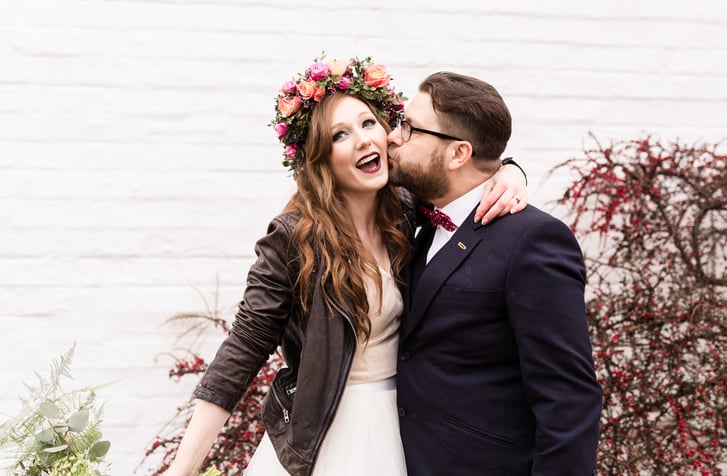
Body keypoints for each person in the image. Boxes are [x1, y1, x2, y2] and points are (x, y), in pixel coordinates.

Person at [161, 57, 528, 476]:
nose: (363, 140)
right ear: (320, 158)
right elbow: (244, 346)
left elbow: (462, 174)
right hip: (330, 429)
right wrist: (182, 469)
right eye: (340, 135)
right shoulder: (293, 236)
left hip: (409, 424)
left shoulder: (405, 210)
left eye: (368, 123)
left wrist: (511, 172)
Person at [389, 71, 603, 475]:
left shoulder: (534, 240)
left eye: (409, 128)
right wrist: (511, 168)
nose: (392, 136)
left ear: (458, 154)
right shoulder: (420, 221)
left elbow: (568, 398)